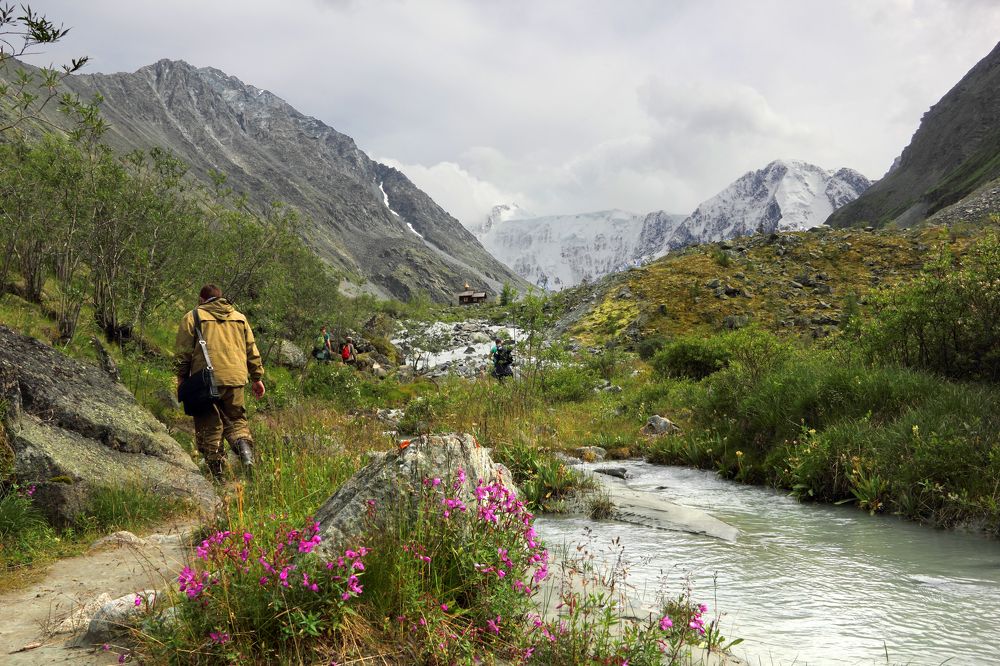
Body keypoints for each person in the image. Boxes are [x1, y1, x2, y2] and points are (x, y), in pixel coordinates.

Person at [175, 284, 265, 480]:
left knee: (209, 426)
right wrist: (257, 378)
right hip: (236, 378)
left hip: (206, 381)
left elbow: (183, 353)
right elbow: (252, 350)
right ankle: (247, 457)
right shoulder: (240, 318)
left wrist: (181, 378)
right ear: (220, 298)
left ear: (201, 299)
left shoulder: (193, 316)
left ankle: (218, 476)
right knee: (237, 421)